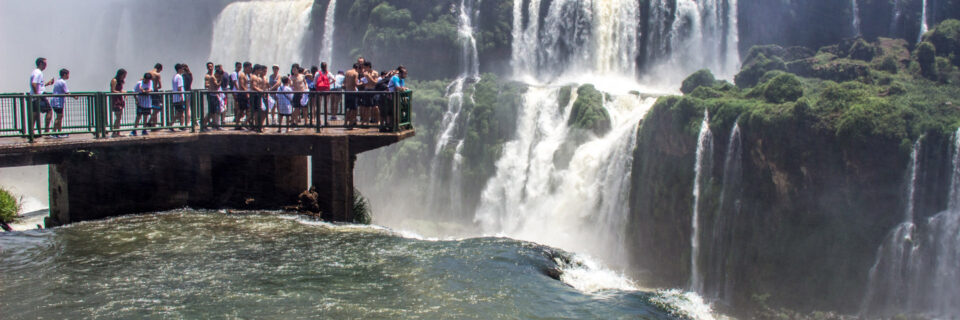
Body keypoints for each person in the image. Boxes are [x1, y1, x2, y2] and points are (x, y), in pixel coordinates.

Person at [29, 57, 55, 136]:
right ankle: (46, 131)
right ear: (40, 64)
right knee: (49, 111)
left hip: (34, 96)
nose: (46, 66)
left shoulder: (35, 72)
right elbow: (34, 84)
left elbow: (38, 85)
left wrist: (48, 83)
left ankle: (32, 132)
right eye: (45, 64)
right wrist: (38, 95)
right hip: (39, 96)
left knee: (35, 113)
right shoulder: (38, 73)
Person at [50, 69, 78, 138]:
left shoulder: (58, 81)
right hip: (58, 102)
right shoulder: (63, 82)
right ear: (65, 74)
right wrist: (74, 96)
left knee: (60, 116)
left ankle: (60, 132)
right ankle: (53, 132)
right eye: (68, 74)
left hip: (55, 101)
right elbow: (67, 92)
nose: (68, 76)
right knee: (59, 117)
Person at [383, 66, 408, 131]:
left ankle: (396, 125)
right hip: (390, 97)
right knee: (390, 112)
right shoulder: (395, 78)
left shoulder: (401, 79)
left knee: (397, 111)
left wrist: (403, 88)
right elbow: (398, 88)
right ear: (400, 73)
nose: (405, 75)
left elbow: (402, 87)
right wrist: (402, 88)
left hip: (396, 97)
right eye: (404, 74)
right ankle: (390, 126)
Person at [201, 62, 220, 131]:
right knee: (211, 111)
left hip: (215, 94)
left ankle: (215, 124)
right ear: (207, 68)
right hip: (210, 94)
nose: (210, 68)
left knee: (215, 110)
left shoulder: (214, 75)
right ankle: (204, 124)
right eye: (208, 67)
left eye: (211, 66)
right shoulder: (207, 76)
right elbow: (206, 85)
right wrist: (213, 84)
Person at [110, 69, 127, 137]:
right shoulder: (114, 80)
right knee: (117, 116)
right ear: (120, 74)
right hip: (115, 100)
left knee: (119, 117)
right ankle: (114, 132)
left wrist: (123, 92)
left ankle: (118, 132)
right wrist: (121, 92)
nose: (124, 77)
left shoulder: (120, 81)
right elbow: (113, 90)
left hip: (120, 99)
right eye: (124, 75)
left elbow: (119, 90)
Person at [342, 63, 360, 129]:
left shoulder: (347, 72)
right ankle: (350, 124)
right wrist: (361, 83)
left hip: (347, 92)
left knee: (348, 108)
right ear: (357, 68)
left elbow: (344, 82)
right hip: (353, 92)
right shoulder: (356, 73)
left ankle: (345, 122)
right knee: (353, 109)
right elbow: (355, 83)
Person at [171, 64, 187, 131]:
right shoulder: (180, 77)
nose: (183, 70)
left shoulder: (174, 76)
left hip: (175, 97)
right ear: (179, 69)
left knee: (180, 112)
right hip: (179, 97)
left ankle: (180, 125)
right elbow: (179, 88)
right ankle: (174, 125)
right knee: (181, 112)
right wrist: (182, 97)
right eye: (182, 69)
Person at [147, 63, 163, 129]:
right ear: (159, 69)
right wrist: (156, 88)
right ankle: (149, 122)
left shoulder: (148, 73)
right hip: (155, 92)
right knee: (158, 108)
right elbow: (160, 86)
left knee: (154, 109)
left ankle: (154, 126)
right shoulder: (157, 74)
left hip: (149, 92)